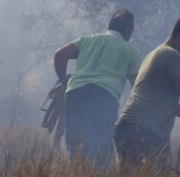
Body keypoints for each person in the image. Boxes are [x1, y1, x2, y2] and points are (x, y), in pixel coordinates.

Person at [114, 16, 180, 171]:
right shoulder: (172, 55)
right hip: (144, 132)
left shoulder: (155, 53)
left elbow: (162, 102)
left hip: (127, 128)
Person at [53, 9, 142, 168]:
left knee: (75, 146)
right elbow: (138, 86)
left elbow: (60, 55)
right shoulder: (130, 52)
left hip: (75, 95)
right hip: (104, 97)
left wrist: (63, 80)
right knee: (100, 149)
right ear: (128, 30)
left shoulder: (87, 39)